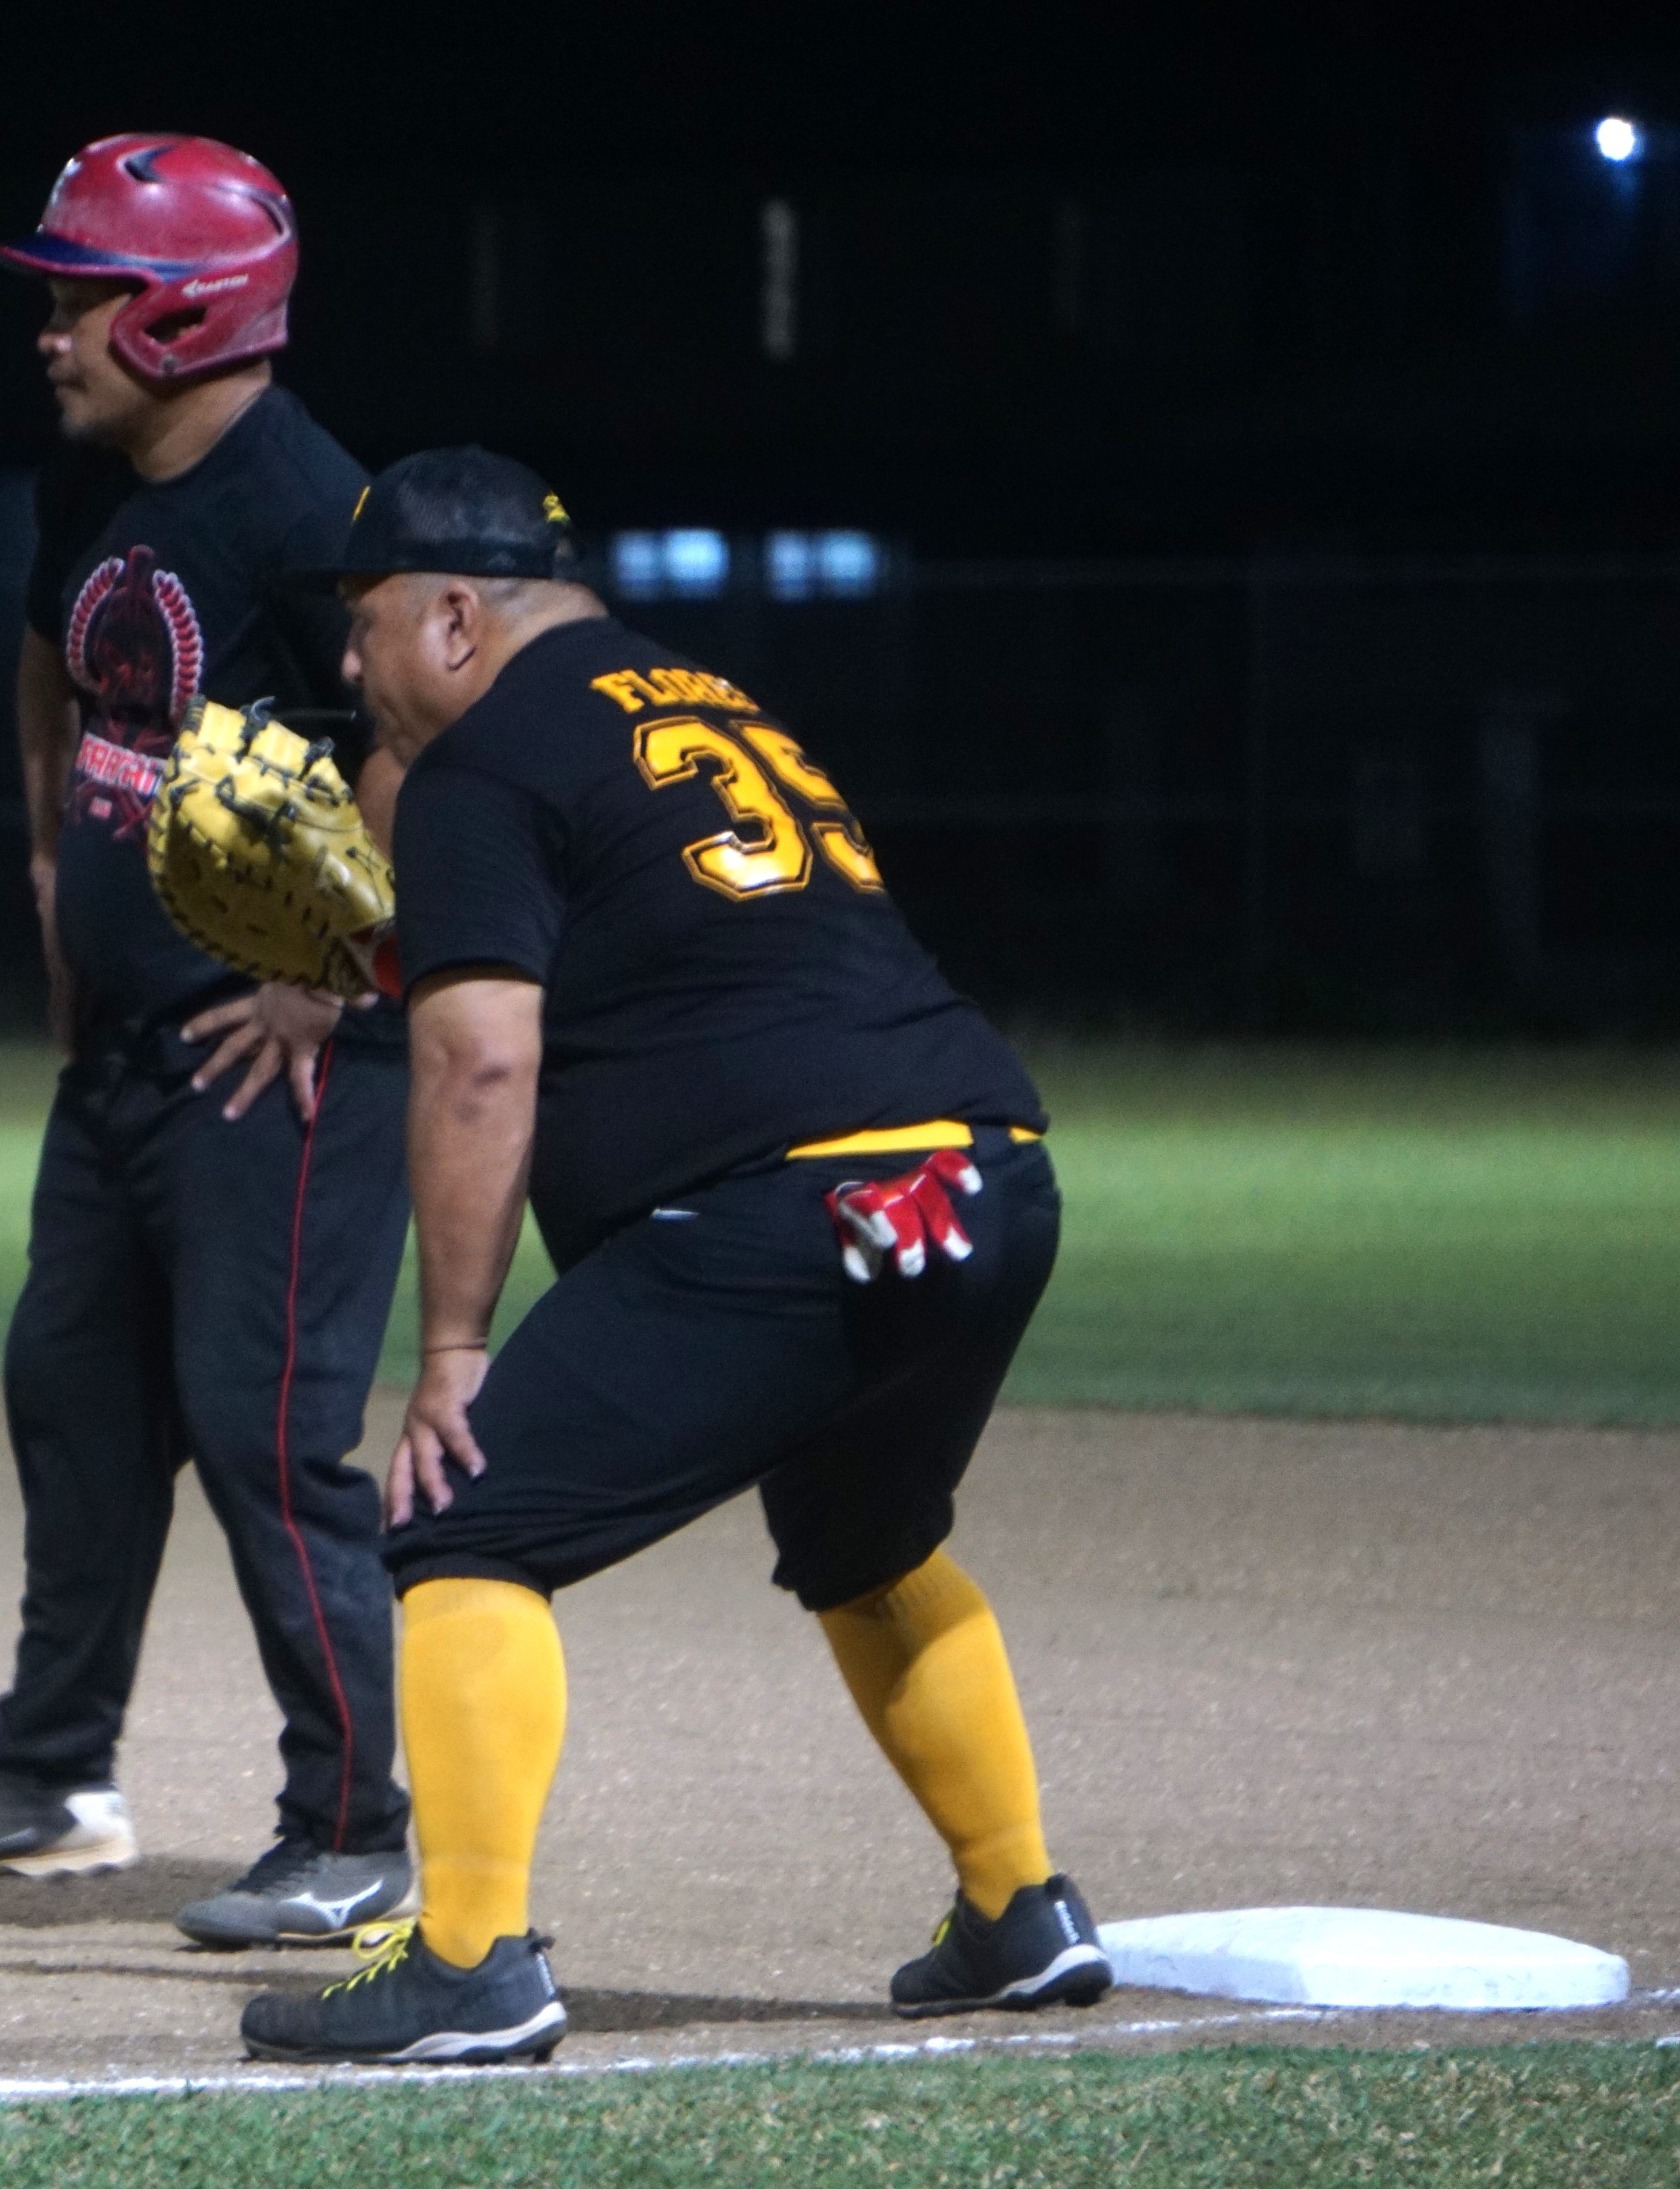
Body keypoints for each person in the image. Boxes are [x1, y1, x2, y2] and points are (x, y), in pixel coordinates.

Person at [240, 449, 1111, 2061]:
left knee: (464, 1520)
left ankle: (471, 1960)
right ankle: (1018, 1908)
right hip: (985, 1177)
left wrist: (448, 1355)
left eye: (362, 631)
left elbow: (482, 1061)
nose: (349, 671)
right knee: (865, 1536)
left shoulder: (491, 759)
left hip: (789, 1213)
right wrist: (366, 941)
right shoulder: (711, 700)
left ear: (450, 616)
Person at [0, 135, 417, 1949]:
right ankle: (50, 1781)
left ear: (184, 313)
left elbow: (438, 744)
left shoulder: (314, 513)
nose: (51, 330)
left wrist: (338, 976)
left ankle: (361, 1828)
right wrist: (46, 873)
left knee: (270, 1436)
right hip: (130, 1053)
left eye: (82, 294)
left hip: (287, 1064)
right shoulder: (94, 480)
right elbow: (51, 664)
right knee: (74, 1404)